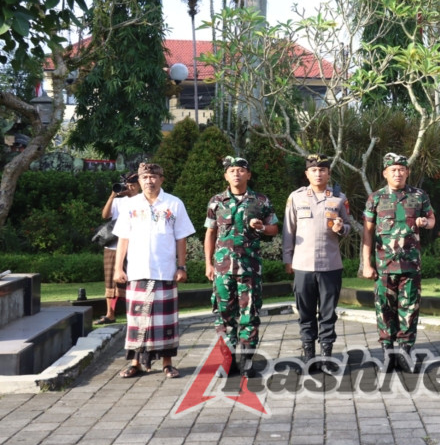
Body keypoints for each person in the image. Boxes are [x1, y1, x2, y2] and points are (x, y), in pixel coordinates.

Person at [113, 162, 195, 379]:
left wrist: (181, 266)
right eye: (145, 177)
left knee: (165, 321)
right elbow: (123, 238)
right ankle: (135, 363)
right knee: (136, 321)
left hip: (165, 271)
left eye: (154, 176)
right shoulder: (130, 205)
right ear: (139, 181)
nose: (149, 180)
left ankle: (167, 363)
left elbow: (181, 237)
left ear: (162, 179)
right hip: (137, 271)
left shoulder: (174, 204)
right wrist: (118, 268)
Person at [204, 156, 279, 376]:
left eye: (240, 170)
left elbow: (274, 228)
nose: (236, 174)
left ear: (248, 175)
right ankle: (227, 362)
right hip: (222, 270)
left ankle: (246, 362)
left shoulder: (260, 201)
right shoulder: (216, 201)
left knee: (250, 314)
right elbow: (210, 233)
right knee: (224, 315)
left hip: (249, 269)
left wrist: (263, 227)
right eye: (232, 170)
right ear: (226, 175)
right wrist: (208, 264)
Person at [362, 152, 435, 372]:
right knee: (384, 309)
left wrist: (426, 222)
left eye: (402, 169)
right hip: (384, 266)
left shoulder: (419, 195)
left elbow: (432, 219)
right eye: (393, 170)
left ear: (407, 172)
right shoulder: (376, 198)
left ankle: (405, 352)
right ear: (385, 173)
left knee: (410, 309)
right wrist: (366, 263)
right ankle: (387, 352)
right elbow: (367, 233)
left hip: (411, 266)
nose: (398, 173)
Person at [283, 154, 350, 372]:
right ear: (307, 174)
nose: (318, 173)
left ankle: (327, 357)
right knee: (306, 313)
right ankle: (309, 357)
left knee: (328, 313)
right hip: (302, 265)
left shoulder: (339, 198)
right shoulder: (296, 197)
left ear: (328, 173)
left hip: (330, 265)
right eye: (314, 170)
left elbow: (348, 227)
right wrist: (287, 258)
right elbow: (288, 230)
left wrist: (342, 228)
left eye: (322, 170)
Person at [94, 171, 141, 325]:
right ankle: (110, 314)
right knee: (110, 280)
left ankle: (133, 313)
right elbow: (105, 215)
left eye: (133, 185)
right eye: (128, 185)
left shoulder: (143, 201)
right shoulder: (119, 201)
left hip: (134, 245)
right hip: (113, 245)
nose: (130, 188)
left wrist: (133, 195)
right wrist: (113, 195)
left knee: (132, 279)